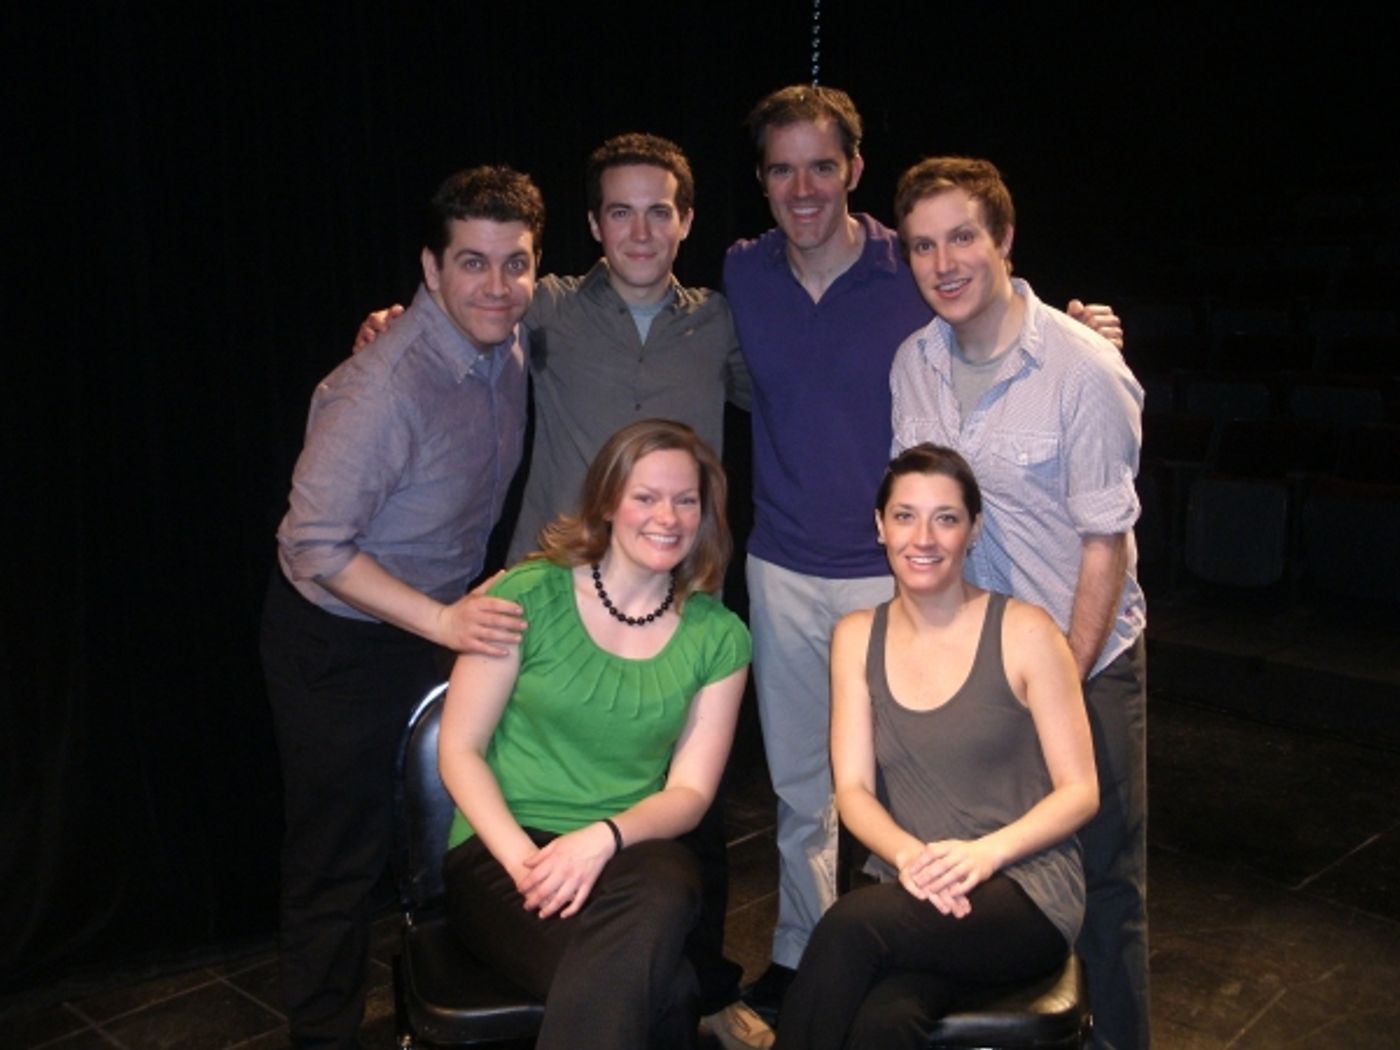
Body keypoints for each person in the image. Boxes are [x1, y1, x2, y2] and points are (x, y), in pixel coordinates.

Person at [354, 133, 768, 1048]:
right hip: (556, 588)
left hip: (674, 600)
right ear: (592, 224)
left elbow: (792, 386)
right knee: (532, 768)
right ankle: (665, 992)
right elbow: (465, 310)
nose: (640, 228)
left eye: (660, 209)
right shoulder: (542, 307)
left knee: (685, 827)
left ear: (687, 220)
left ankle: (704, 987)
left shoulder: (721, 324)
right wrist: (397, 322)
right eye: (619, 210)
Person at [722, 84, 1122, 1021]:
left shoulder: (908, 266)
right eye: (782, 169)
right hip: (782, 561)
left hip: (894, 570)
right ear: (762, 184)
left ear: (855, 170)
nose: (804, 187)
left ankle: (879, 941)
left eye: (823, 165)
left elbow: (988, 294)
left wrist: (1087, 334)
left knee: (927, 788)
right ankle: (804, 952)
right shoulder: (743, 274)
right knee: (801, 787)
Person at [259, 165, 543, 1048]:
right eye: (472, 264)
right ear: (430, 268)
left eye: (515, 263)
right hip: (339, 642)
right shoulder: (382, 385)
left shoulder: (511, 341)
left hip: (427, 625)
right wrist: (447, 626)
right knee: (336, 866)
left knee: (437, 835)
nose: (496, 286)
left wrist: (444, 626)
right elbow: (311, 544)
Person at [889, 156, 1148, 1049]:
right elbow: (917, 522)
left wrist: (1061, 687)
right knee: (984, 874)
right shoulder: (912, 363)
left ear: (1004, 239)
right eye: (923, 245)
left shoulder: (1083, 368)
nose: (943, 261)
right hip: (971, 666)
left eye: (962, 236)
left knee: (1106, 885)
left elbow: (1103, 542)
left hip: (1084, 661)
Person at [438, 419, 751, 1050]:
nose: (667, 516)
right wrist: (527, 864)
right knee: (670, 990)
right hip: (503, 855)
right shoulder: (530, 595)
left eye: (686, 500)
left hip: (628, 859)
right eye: (645, 496)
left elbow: (689, 795)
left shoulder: (719, 636)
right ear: (608, 502)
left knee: (668, 871)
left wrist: (601, 840)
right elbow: (459, 749)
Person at [773, 445, 1098, 1049]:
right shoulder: (855, 637)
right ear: (879, 526)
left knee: (848, 927)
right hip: (915, 890)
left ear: (973, 531)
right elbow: (853, 791)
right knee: (884, 1022)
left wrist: (984, 856)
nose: (923, 537)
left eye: (946, 518)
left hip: (1024, 890)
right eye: (904, 516)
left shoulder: (1027, 631)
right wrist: (912, 860)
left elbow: (1081, 792)